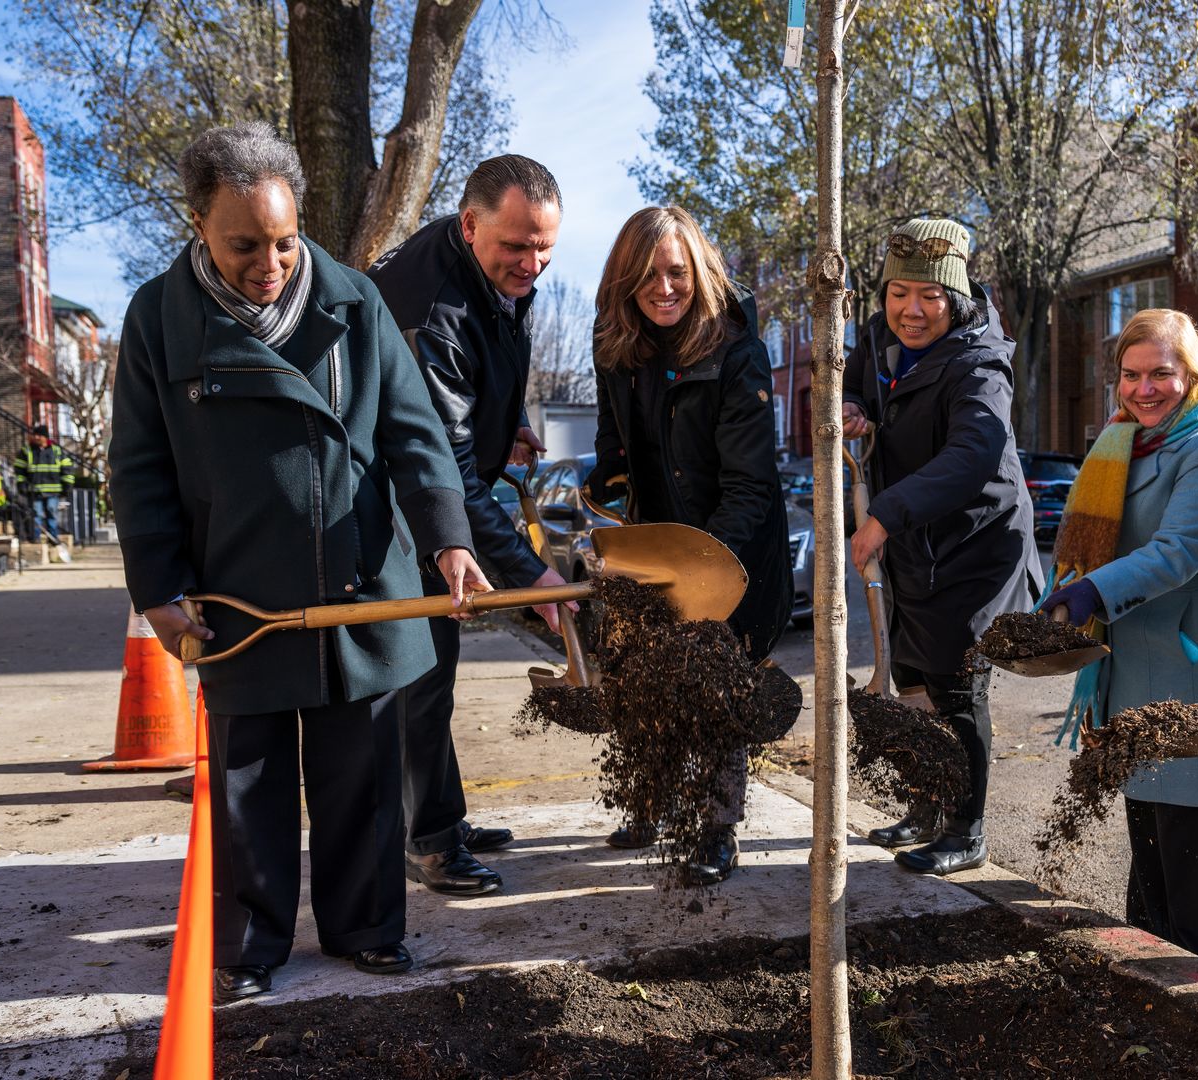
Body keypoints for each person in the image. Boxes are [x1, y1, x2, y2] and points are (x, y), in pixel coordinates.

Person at [109, 122, 487, 1005]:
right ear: (198, 220)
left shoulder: (353, 300)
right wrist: (158, 589)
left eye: (283, 240)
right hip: (238, 598)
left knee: (362, 776)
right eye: (244, 244)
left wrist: (450, 539)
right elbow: (139, 467)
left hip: (363, 584)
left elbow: (414, 435)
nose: (270, 263)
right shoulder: (158, 320)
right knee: (250, 787)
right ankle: (247, 947)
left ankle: (367, 929)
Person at [1037, 308, 1198, 976]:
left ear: (1193, 374)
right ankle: (1154, 997)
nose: (1144, 388)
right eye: (1131, 374)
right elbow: (1094, 547)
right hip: (1141, 672)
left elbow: (1176, 553)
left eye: (1160, 374)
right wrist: (1061, 597)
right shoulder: (1124, 440)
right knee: (1152, 867)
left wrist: (1088, 595)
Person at [368, 154, 566, 898]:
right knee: (418, 677)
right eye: (516, 246)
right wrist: (533, 577)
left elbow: (495, 357)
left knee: (436, 677)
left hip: (437, 488)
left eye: (545, 246)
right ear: (470, 224)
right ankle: (430, 842)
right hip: (395, 507)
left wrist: (506, 419)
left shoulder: (497, 272)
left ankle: (436, 816)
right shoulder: (432, 311)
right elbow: (442, 470)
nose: (532, 264)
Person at [585, 206, 790, 886]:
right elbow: (614, 441)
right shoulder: (617, 343)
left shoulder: (737, 353)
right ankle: (649, 800)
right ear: (626, 280)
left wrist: (699, 566)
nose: (662, 288)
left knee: (713, 691)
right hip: (655, 544)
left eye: (676, 273)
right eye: (647, 276)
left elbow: (751, 486)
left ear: (699, 272)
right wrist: (608, 481)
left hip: (727, 549)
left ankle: (713, 829)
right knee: (639, 679)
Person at [843, 217, 1042, 876]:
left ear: (953, 299)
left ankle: (965, 827)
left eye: (928, 295)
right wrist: (851, 410)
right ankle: (926, 807)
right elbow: (855, 386)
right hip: (914, 540)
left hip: (975, 546)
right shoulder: (876, 341)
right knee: (911, 679)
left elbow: (974, 453)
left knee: (956, 690)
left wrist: (883, 517)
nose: (911, 309)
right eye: (899, 292)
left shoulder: (979, 362)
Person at [13, 424, 74, 550]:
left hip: (53, 491)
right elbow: (19, 470)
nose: (36, 437)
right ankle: (36, 539)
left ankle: (53, 538)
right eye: (34, 435)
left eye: (38, 435)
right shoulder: (27, 451)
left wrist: (67, 486)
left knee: (52, 514)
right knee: (37, 515)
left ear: (45, 437)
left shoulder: (56, 451)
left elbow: (67, 469)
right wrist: (22, 484)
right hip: (35, 491)